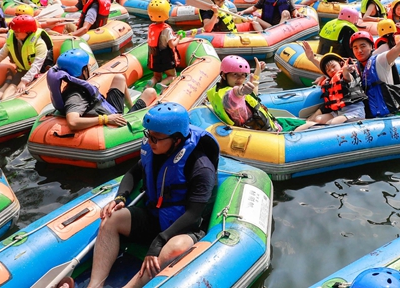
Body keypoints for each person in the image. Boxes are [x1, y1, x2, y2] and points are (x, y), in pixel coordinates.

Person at [83, 103, 219, 288]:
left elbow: (194, 214)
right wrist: (120, 198)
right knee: (112, 219)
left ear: (177, 140)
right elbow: (133, 173)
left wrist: (159, 242)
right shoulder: (154, 150)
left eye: (156, 138)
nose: (150, 142)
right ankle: (95, 285)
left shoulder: (200, 167)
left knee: (173, 249)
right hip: (154, 216)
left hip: (183, 228)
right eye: (148, 135)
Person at [47, 49, 157, 132]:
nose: (89, 68)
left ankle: (131, 110)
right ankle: (134, 115)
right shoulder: (76, 96)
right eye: (87, 66)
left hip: (108, 110)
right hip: (110, 118)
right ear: (82, 70)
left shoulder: (72, 87)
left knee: (120, 78)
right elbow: (73, 122)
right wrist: (105, 119)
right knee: (150, 92)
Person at [0, 15, 53, 100]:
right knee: (8, 93)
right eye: (14, 31)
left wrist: (24, 82)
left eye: (17, 31)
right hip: (23, 71)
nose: (15, 33)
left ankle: (9, 82)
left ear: (27, 31)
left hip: (40, 73)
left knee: (18, 93)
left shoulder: (40, 44)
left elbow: (36, 66)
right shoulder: (13, 39)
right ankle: (7, 87)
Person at [207, 56, 292, 132]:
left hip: (266, 125)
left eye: (243, 75)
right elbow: (234, 94)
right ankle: (306, 122)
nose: (240, 78)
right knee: (304, 124)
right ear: (224, 75)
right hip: (267, 133)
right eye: (235, 74)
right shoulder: (229, 96)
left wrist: (257, 72)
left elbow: (252, 96)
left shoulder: (219, 90)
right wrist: (242, 91)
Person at [299, 46, 367, 129]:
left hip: (354, 112)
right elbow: (324, 69)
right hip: (339, 112)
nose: (331, 70)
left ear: (341, 64)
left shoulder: (346, 75)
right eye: (328, 70)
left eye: (333, 66)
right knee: (318, 119)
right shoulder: (330, 80)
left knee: (332, 123)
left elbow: (347, 77)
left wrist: (346, 70)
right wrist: (312, 59)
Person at [146, 0, 179, 87]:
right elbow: (171, 45)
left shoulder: (151, 27)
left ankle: (152, 82)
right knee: (172, 75)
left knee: (157, 76)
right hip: (165, 57)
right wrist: (178, 38)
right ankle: (162, 84)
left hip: (153, 56)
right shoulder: (166, 29)